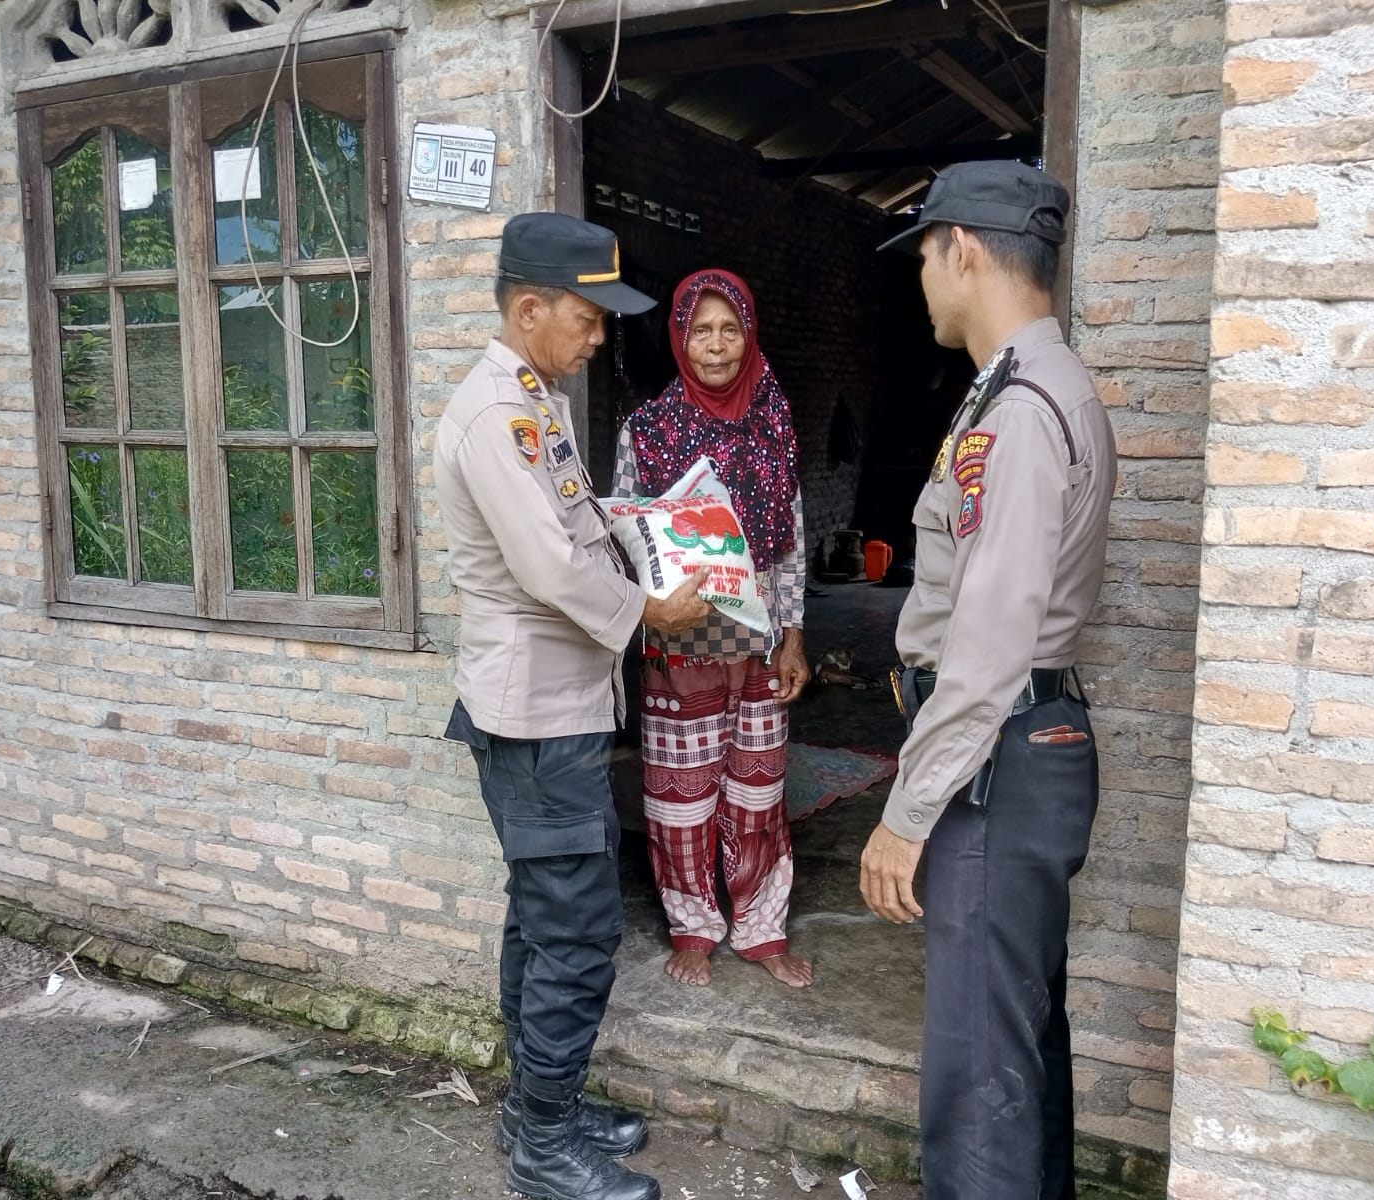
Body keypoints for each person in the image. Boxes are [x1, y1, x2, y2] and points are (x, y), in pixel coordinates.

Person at [434, 212, 714, 1200]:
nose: (601, 337)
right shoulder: (494, 416)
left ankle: (536, 1111)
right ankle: (544, 1143)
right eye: (590, 319)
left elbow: (576, 530)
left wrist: (649, 536)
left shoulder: (533, 402)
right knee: (576, 929)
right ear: (529, 308)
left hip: (557, 709)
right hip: (534, 718)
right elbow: (550, 565)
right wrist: (652, 609)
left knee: (543, 925)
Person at [860, 161, 1117, 1200]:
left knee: (976, 1072)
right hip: (1018, 751)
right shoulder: (1026, 390)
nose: (921, 279)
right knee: (1013, 1048)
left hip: (995, 765)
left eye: (922, 254)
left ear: (960, 248)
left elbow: (989, 640)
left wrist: (906, 814)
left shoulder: (1016, 410)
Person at [613, 269, 814, 991]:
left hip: (756, 636)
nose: (717, 345)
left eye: (731, 329)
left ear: (749, 333)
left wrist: (793, 633)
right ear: (679, 335)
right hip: (681, 635)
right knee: (680, 795)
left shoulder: (774, 417)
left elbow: (789, 538)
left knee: (758, 790)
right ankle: (694, 925)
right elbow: (628, 537)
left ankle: (762, 926)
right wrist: (655, 594)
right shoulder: (648, 428)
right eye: (701, 330)